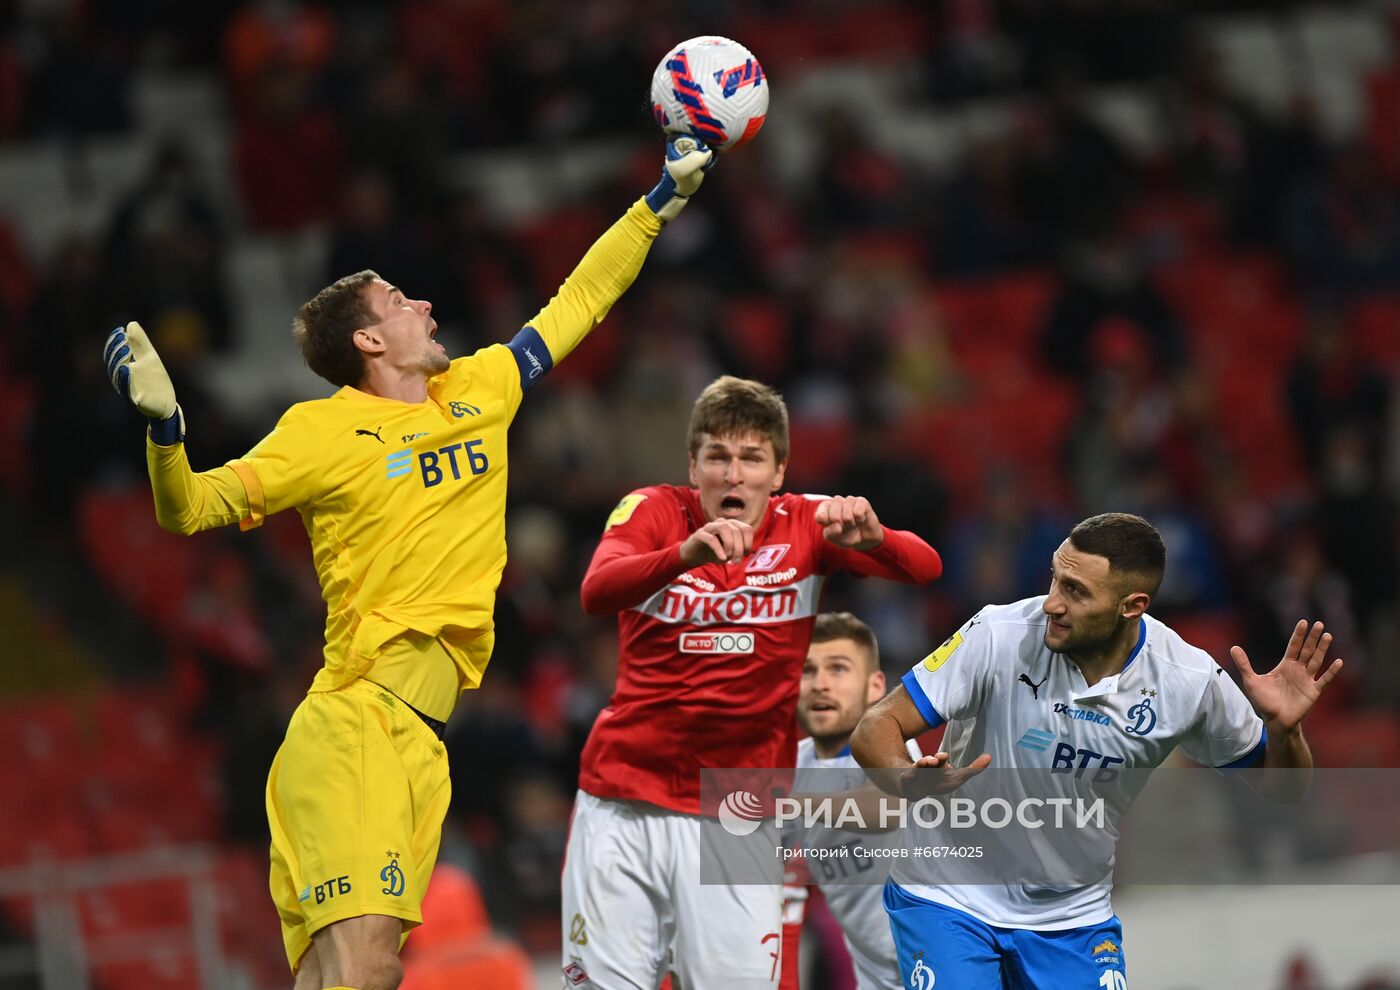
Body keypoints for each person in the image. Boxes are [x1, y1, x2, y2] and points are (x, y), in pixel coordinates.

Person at [103, 136, 716, 990]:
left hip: (423, 738)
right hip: (357, 721)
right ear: (368, 339)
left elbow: (582, 298)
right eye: (399, 299)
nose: (425, 304)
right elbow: (190, 509)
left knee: (353, 976)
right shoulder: (318, 432)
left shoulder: (479, 389)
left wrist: (658, 202)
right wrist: (167, 434)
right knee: (365, 967)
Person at [851, 512, 1343, 989]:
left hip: (1072, 916)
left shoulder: (1187, 681)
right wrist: (904, 777)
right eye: (1056, 579)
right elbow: (876, 725)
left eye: (1076, 592)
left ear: (1132, 605)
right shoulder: (999, 635)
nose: (1051, 604)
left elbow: (1283, 789)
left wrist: (1283, 732)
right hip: (948, 895)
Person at [562, 375, 943, 989]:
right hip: (624, 800)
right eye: (717, 456)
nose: (733, 474)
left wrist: (877, 538)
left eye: (751, 458)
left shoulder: (809, 525)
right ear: (694, 465)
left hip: (735, 812)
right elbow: (595, 591)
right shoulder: (655, 510)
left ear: (779, 470)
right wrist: (685, 554)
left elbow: (926, 567)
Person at [788, 611, 910, 990]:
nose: (820, 684)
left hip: (943, 965)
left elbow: (890, 809)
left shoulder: (897, 750)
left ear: (875, 687)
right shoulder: (791, 766)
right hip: (874, 974)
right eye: (807, 671)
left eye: (838, 669)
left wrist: (790, 802)